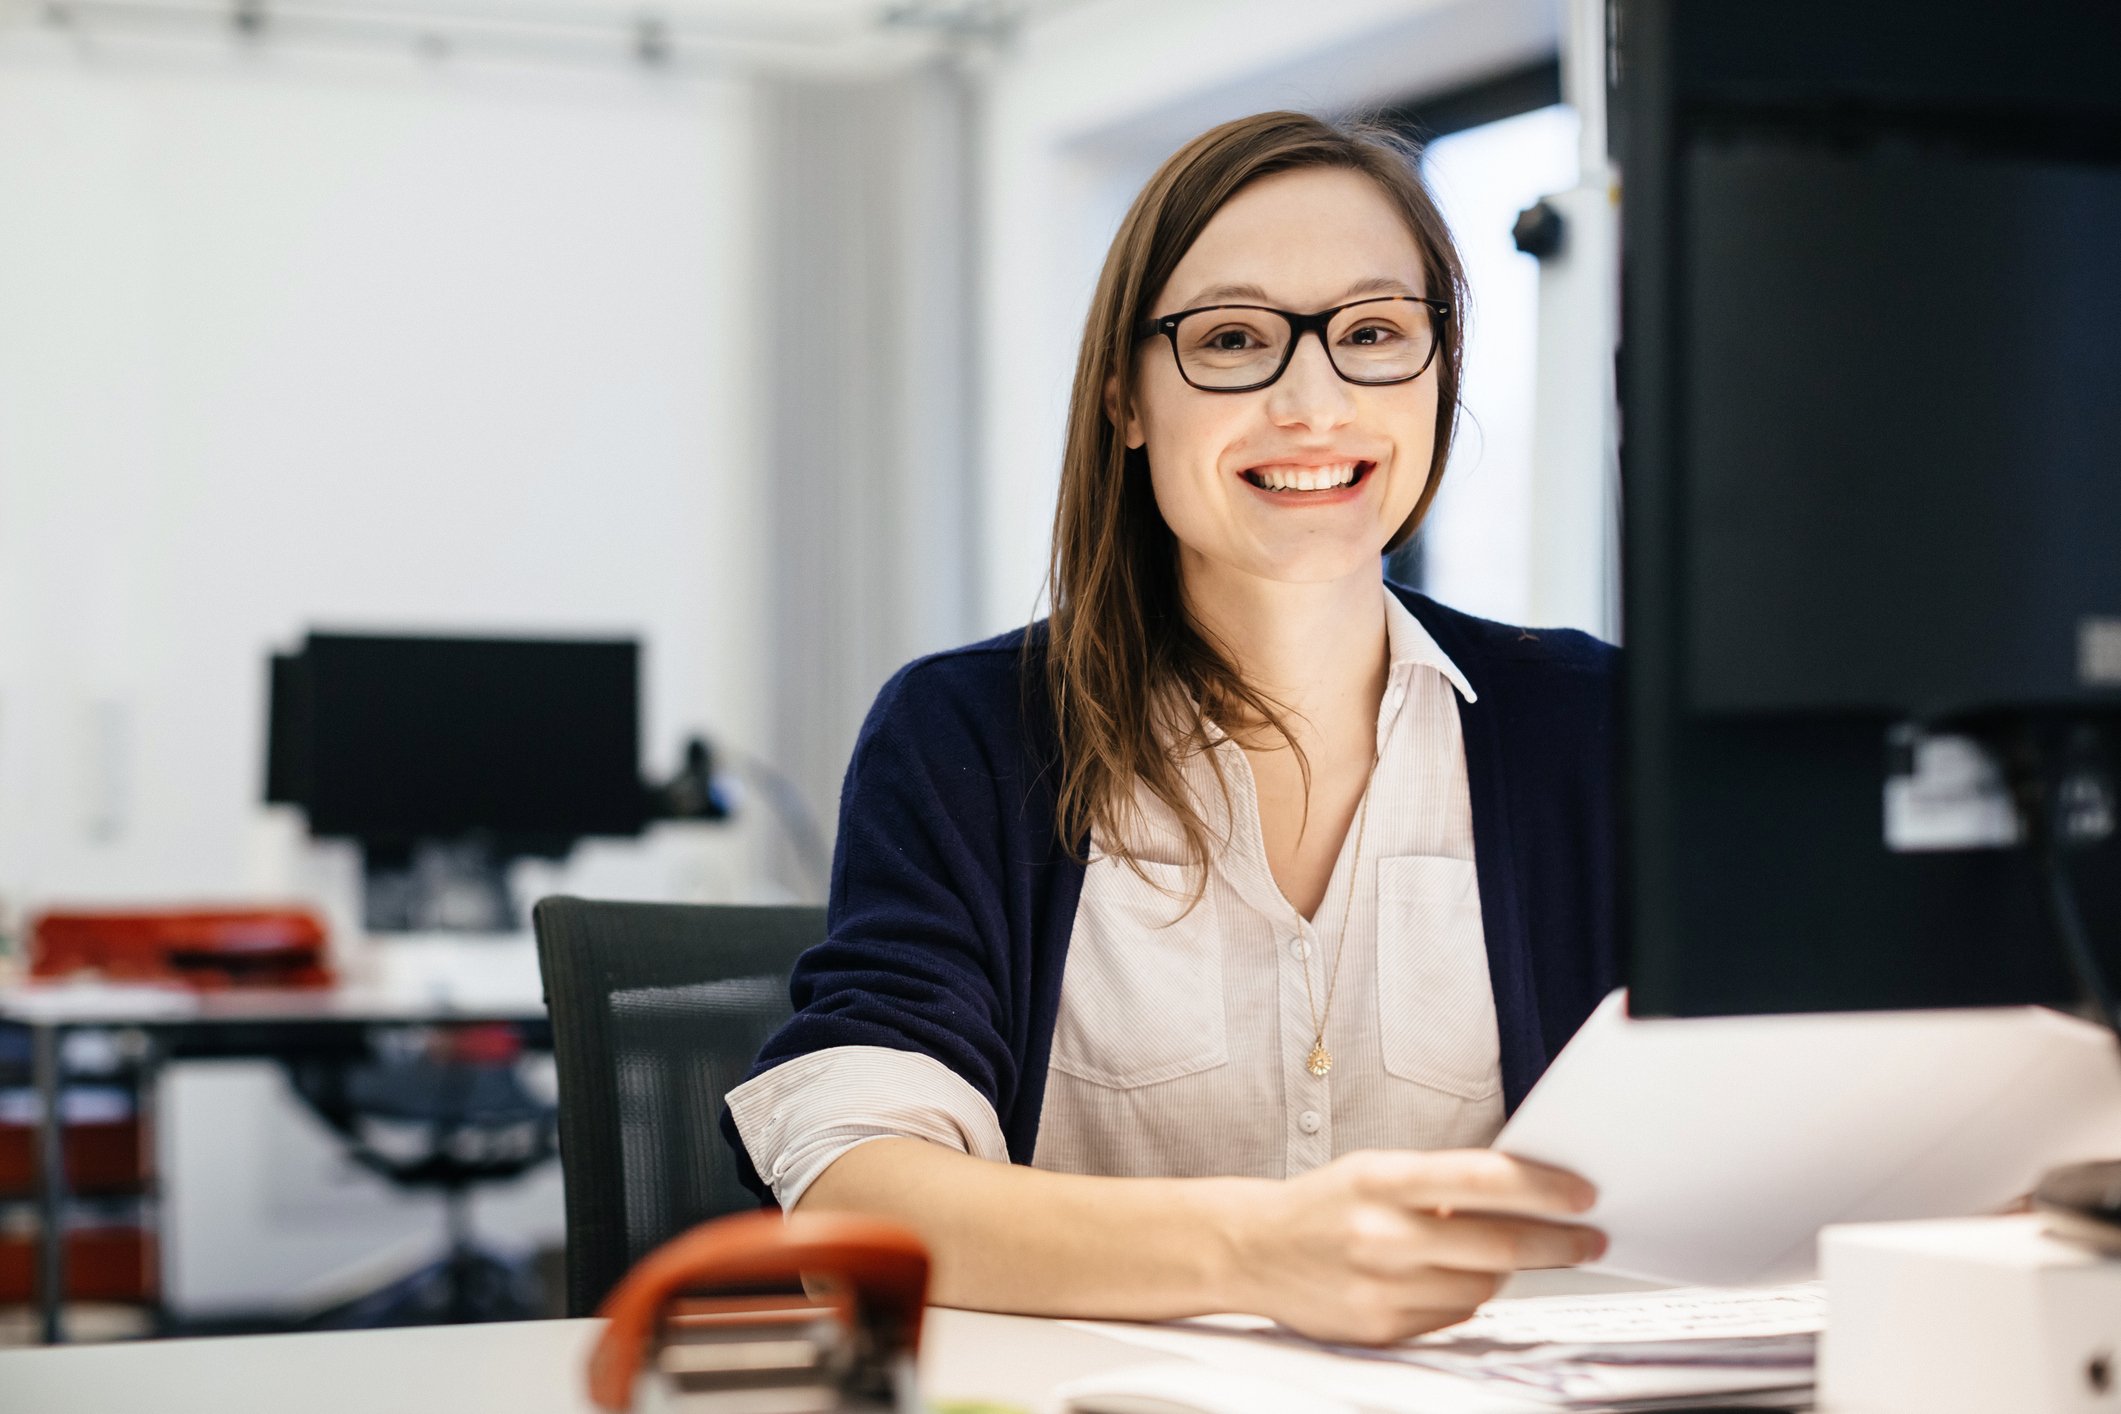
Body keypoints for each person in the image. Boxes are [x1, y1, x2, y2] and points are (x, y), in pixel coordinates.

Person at [722, 110, 1618, 1345]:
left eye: (1372, 334)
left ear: (1439, 373)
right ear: (1126, 401)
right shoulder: (969, 734)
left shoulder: (1593, 727)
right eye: (1235, 340)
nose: (1316, 401)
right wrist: (1257, 1251)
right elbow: (853, 1196)